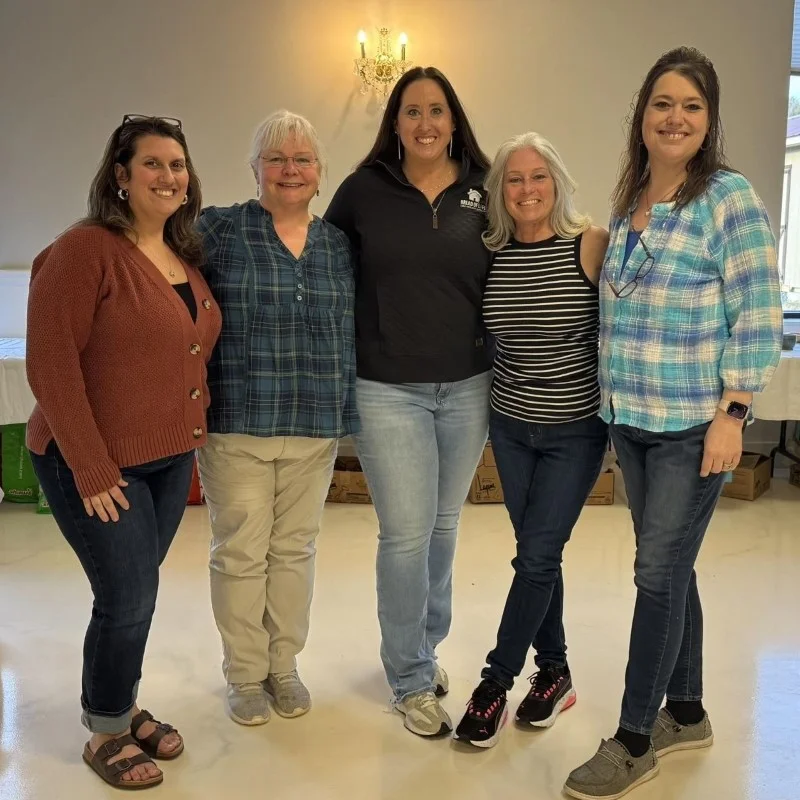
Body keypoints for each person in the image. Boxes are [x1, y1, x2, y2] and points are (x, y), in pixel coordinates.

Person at [564, 47, 783, 800]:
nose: (675, 117)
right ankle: (686, 712)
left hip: (694, 424)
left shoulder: (728, 198)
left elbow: (757, 312)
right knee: (671, 567)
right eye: (663, 103)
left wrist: (734, 413)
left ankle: (634, 740)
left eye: (692, 105)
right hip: (632, 419)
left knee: (655, 575)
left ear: (709, 120)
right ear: (642, 115)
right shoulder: (631, 201)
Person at [26, 115, 222, 790]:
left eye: (178, 165)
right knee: (128, 595)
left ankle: (121, 701)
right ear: (120, 176)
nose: (169, 176)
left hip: (168, 458)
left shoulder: (182, 255)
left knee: (135, 590)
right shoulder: (84, 250)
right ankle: (106, 730)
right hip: (94, 461)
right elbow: (51, 364)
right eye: (152, 164)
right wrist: (90, 466)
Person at [325, 67, 492, 737]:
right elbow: (326, 266)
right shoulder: (364, 190)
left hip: (469, 387)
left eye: (437, 110)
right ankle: (409, 677)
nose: (425, 123)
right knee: (405, 534)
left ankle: (425, 646)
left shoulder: (485, 187)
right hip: (387, 388)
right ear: (394, 122)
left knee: (444, 526)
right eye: (412, 111)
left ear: (454, 120)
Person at [196, 110, 357, 726]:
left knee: (294, 553)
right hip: (238, 423)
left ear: (320, 172)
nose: (290, 169)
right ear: (255, 169)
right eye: (276, 158)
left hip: (314, 426)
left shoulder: (338, 244)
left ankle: (283, 667)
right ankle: (244, 674)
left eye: (303, 159)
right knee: (240, 553)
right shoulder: (219, 230)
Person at [452, 133, 610, 748]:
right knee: (538, 555)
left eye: (538, 176)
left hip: (576, 430)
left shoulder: (588, 244)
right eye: (513, 179)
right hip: (512, 428)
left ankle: (495, 683)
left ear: (557, 182)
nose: (526, 189)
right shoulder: (491, 253)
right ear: (499, 191)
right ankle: (556, 671)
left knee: (537, 557)